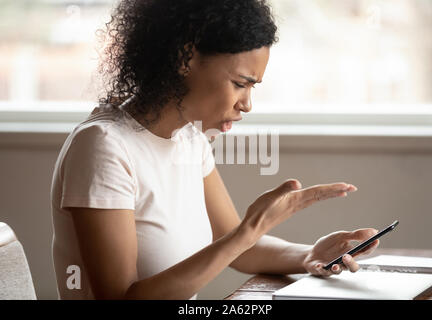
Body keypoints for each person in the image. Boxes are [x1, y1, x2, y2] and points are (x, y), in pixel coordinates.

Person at [50, 0, 379, 300]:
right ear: (186, 57)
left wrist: (308, 255)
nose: (247, 104)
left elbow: (241, 249)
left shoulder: (190, 140)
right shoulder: (104, 147)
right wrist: (249, 230)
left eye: (252, 87)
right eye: (240, 84)